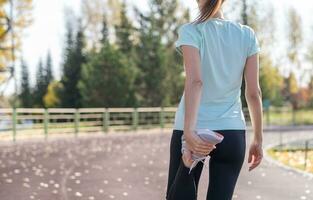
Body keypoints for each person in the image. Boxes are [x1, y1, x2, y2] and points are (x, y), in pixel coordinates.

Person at [165, 0, 264, 199]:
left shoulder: (191, 31)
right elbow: (253, 93)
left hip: (195, 128)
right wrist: (258, 139)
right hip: (232, 132)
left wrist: (189, 132)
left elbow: (195, 82)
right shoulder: (246, 34)